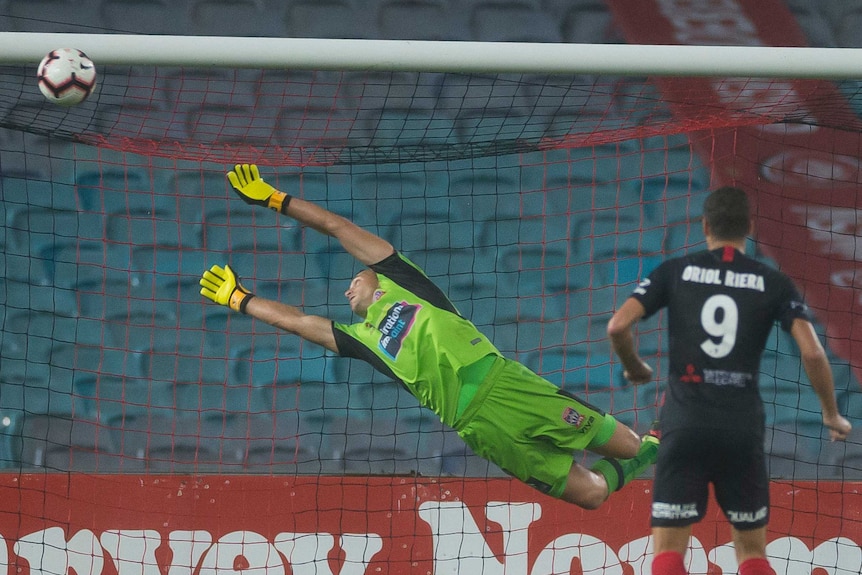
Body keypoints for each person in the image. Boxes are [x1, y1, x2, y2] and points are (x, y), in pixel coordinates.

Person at [199, 163, 659, 510]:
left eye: (353, 280)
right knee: (593, 495)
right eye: (344, 291)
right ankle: (650, 456)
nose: (346, 289)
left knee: (631, 447)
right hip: (478, 427)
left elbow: (338, 228)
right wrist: (242, 299)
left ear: (373, 273)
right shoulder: (362, 339)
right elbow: (299, 322)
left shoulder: (404, 281)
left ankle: (654, 451)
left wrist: (275, 199)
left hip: (510, 388)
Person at [607, 186, 852, 575]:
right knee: (752, 553)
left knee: (668, 553)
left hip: (684, 425)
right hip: (741, 428)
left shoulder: (676, 270)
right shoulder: (773, 282)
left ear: (704, 225)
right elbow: (812, 352)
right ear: (749, 227)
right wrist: (830, 414)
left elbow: (618, 325)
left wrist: (635, 367)